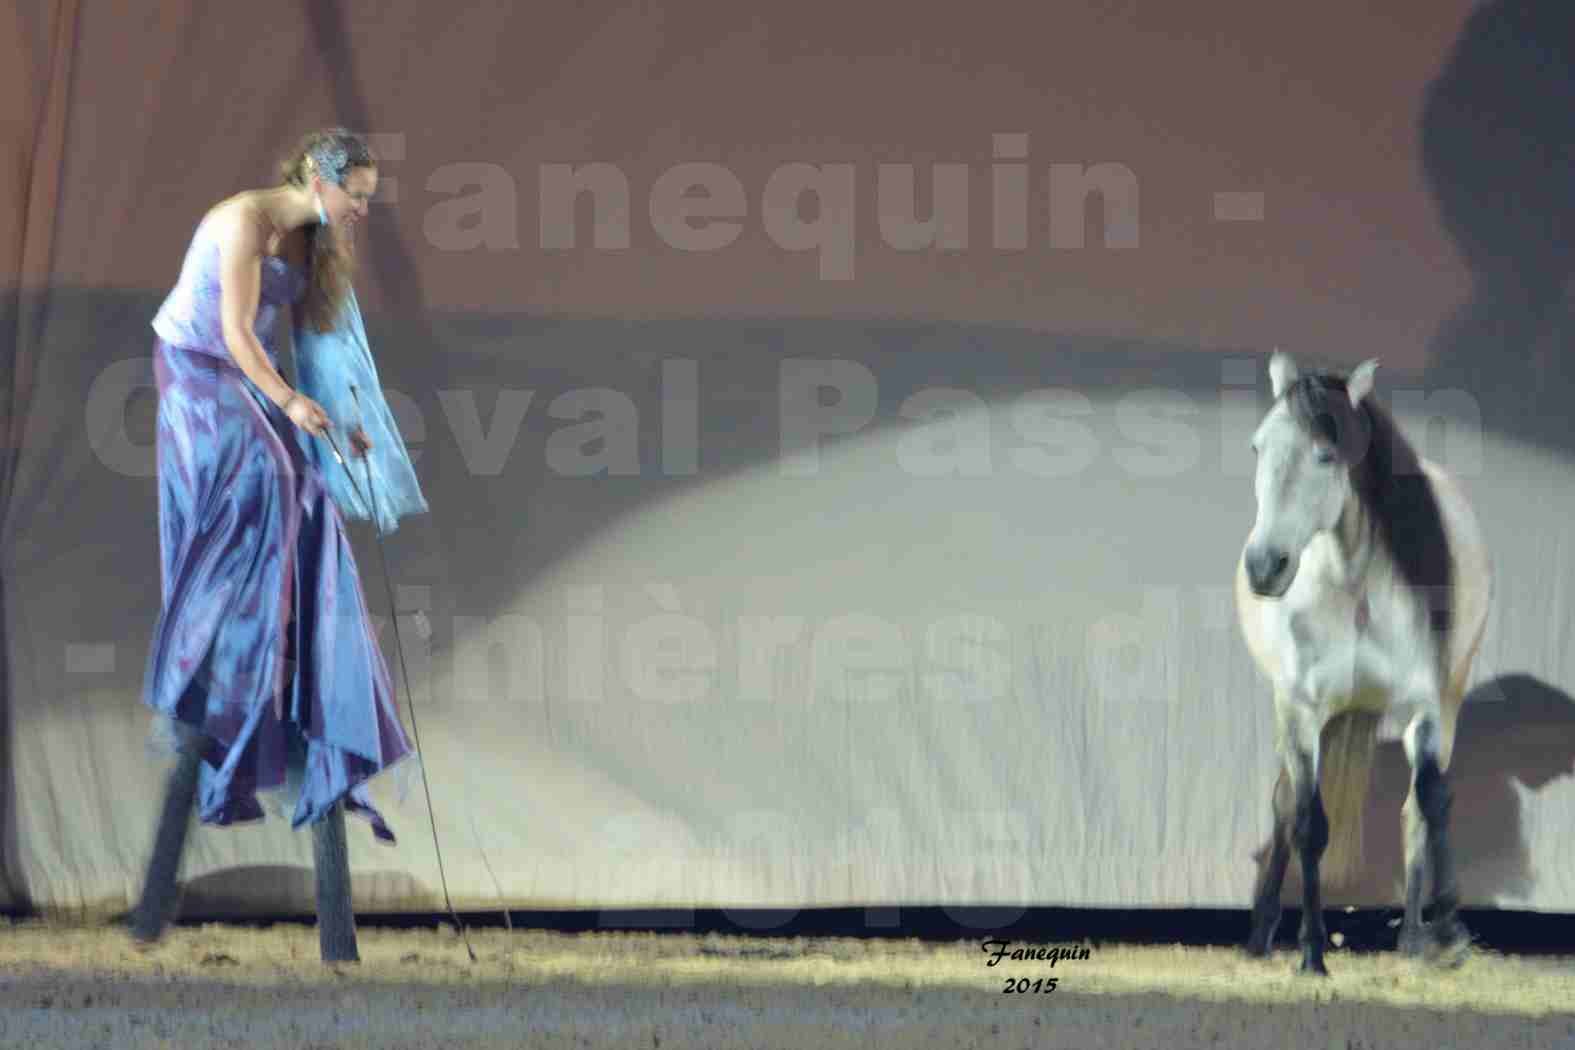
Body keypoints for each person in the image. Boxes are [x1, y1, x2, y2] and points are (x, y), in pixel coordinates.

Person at [130, 128, 419, 950]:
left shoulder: (312, 240)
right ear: (322, 178)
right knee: (275, 482)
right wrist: (292, 407)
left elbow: (319, 348)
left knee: (306, 493)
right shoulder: (244, 221)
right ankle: (236, 625)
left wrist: (342, 424)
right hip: (199, 379)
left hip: (250, 378)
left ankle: (290, 625)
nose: (362, 207)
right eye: (356, 192)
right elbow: (233, 333)